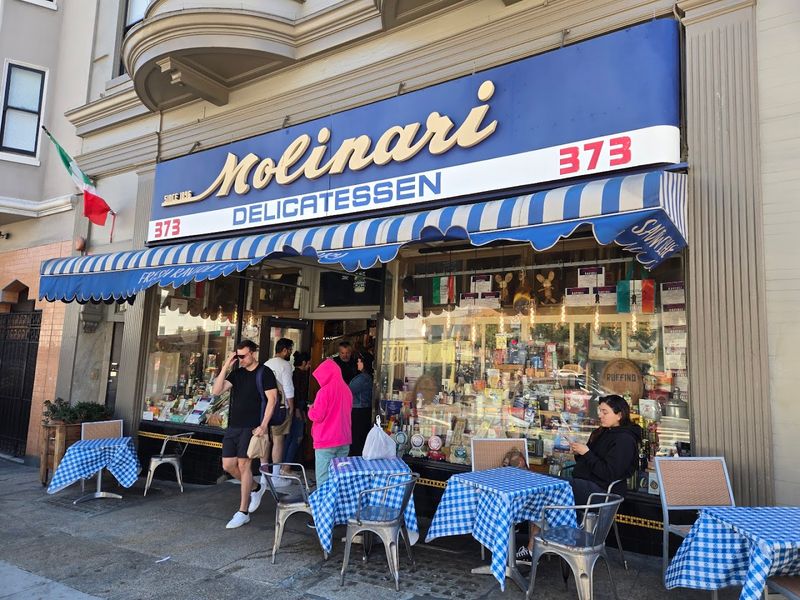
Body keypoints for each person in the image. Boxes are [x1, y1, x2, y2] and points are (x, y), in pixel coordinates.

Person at [516, 394, 642, 563]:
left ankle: (535, 549)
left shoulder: (625, 440)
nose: (600, 415)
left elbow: (608, 473)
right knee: (542, 486)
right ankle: (535, 548)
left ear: (619, 415)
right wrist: (579, 452)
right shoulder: (604, 432)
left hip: (599, 493)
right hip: (585, 484)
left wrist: (587, 453)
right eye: (599, 411)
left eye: (605, 412)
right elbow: (590, 462)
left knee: (544, 488)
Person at [211, 340, 278, 529]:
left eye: (243, 356)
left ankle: (243, 511)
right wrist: (226, 365)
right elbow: (216, 391)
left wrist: (263, 425)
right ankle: (256, 488)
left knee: (244, 465)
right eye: (238, 356)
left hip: (251, 427)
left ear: (253, 353)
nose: (240, 359)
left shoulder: (264, 373)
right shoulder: (237, 373)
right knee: (228, 465)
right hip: (233, 426)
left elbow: (272, 400)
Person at [308, 358, 352, 486]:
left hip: (326, 441)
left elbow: (317, 416)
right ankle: (337, 504)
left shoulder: (324, 391)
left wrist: (311, 409)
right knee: (339, 478)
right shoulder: (347, 389)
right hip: (343, 439)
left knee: (323, 480)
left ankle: (323, 505)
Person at [259, 338, 295, 492]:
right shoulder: (285, 365)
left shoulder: (266, 364)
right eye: (290, 350)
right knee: (278, 441)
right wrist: (291, 407)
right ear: (285, 350)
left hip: (265, 407)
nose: (291, 353)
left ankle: (263, 475)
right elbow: (288, 387)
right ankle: (275, 476)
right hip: (280, 408)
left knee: (266, 440)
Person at [283, 350, 311, 465]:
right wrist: (299, 410)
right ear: (304, 362)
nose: (310, 366)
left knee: (291, 437)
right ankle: (287, 465)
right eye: (309, 363)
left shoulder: (297, 374)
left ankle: (284, 464)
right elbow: (297, 394)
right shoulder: (298, 375)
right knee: (296, 437)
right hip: (297, 409)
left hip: (296, 409)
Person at [348, 352, 374, 456]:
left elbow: (348, 391)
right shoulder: (367, 377)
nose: (357, 363)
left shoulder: (363, 378)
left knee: (356, 438)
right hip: (364, 410)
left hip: (359, 410)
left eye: (359, 361)